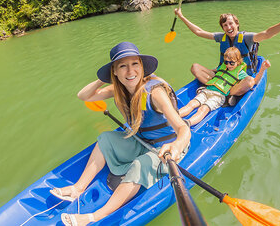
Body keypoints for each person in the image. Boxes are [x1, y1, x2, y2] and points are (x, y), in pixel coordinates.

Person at [50, 42, 191, 226]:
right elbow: (84, 96)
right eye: (122, 66)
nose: (130, 71)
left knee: (141, 165)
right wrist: (103, 78)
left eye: (135, 64)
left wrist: (176, 146)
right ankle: (77, 188)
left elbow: (183, 129)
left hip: (167, 148)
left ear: (142, 66)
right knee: (105, 139)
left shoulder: (155, 93)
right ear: (114, 72)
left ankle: (96, 216)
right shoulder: (118, 89)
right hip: (142, 140)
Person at [174, 0, 280, 97]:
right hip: (223, 76)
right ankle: (220, 88)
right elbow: (199, 32)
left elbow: (267, 33)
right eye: (225, 25)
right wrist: (181, 16)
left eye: (231, 23)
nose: (229, 27)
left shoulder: (247, 38)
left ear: (237, 24)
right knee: (195, 67)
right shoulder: (221, 37)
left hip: (239, 79)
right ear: (223, 28)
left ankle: (227, 91)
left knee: (250, 81)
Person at [179, 47, 271, 126]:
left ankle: (188, 123)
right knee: (191, 104)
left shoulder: (240, 73)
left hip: (219, 96)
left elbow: (254, 82)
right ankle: (174, 116)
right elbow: (214, 71)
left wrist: (262, 69)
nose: (228, 65)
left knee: (204, 109)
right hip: (207, 90)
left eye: (232, 63)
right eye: (226, 62)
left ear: (238, 62)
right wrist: (201, 76)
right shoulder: (223, 67)